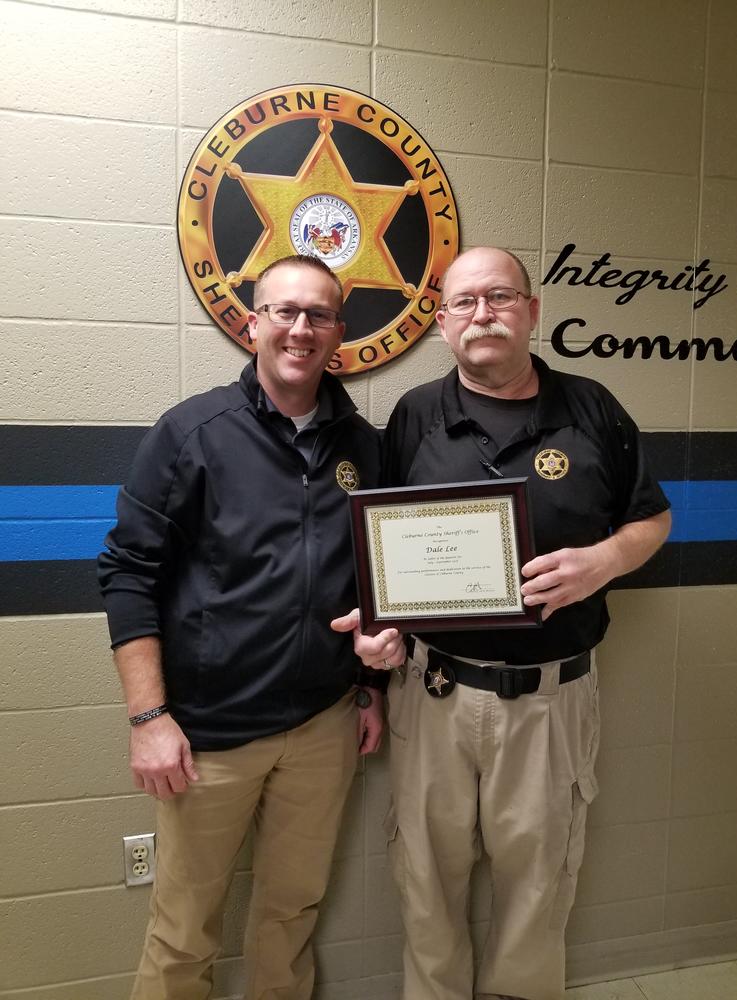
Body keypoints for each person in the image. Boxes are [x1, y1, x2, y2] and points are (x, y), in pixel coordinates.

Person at [338, 247, 671, 1000]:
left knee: (539, 884)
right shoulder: (415, 415)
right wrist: (375, 636)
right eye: (463, 303)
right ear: (443, 323)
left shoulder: (592, 407)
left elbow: (652, 517)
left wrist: (606, 560)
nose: (482, 314)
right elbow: (377, 546)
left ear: (532, 311)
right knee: (424, 883)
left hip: (552, 700)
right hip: (433, 695)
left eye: (499, 296)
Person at [98, 254, 385, 1000]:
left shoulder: (364, 446)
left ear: (338, 333)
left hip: (323, 727)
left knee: (291, 914)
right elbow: (128, 573)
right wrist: (149, 717)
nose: (300, 328)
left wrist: (371, 684)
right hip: (207, 738)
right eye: (284, 311)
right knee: (184, 927)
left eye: (318, 314)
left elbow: (378, 578)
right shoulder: (192, 432)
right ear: (252, 323)